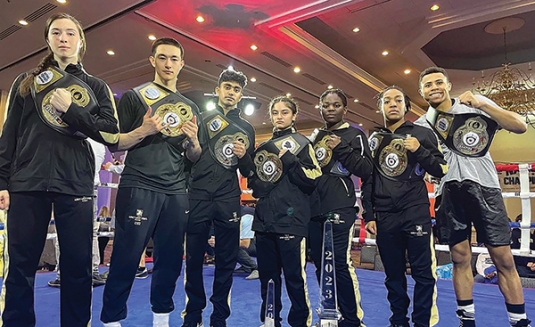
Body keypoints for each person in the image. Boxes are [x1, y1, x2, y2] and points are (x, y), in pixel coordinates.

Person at [0, 13, 119, 327]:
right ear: (48, 39)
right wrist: (2, 180)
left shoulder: (96, 86)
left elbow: (110, 132)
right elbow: (9, 133)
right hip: (26, 182)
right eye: (56, 33)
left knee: (78, 268)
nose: (63, 38)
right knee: (21, 268)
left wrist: (74, 111)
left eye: (69, 33)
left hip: (75, 183)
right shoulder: (25, 82)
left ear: (80, 40)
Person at [415, 67, 531, 327]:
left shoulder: (474, 106)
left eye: (438, 82)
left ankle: (519, 320)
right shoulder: (422, 125)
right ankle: (466, 320)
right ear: (421, 92)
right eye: (427, 85)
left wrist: (483, 103)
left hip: (485, 187)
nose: (433, 87)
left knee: (503, 257)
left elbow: (520, 125)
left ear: (448, 84)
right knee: (459, 257)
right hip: (448, 191)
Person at [100, 37, 201, 327]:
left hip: (175, 190)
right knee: (127, 256)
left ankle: (161, 318)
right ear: (152, 61)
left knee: (169, 260)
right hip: (139, 184)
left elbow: (195, 156)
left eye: (174, 59)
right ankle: (111, 319)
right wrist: (144, 129)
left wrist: (193, 140)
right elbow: (117, 145)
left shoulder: (189, 106)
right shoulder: (135, 97)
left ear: (181, 64)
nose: (168, 64)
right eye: (162, 57)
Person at [362, 86, 446, 327]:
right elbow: (369, 178)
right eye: (387, 100)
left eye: (398, 100)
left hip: (414, 211)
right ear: (380, 107)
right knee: (393, 275)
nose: (392, 104)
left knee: (423, 274)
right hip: (385, 215)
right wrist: (369, 214)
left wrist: (419, 150)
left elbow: (440, 169)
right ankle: (398, 321)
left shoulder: (421, 133)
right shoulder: (374, 139)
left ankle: (421, 323)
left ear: (406, 106)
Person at [182, 68, 255, 327]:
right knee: (193, 259)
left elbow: (248, 171)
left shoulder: (246, 127)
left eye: (236, 89)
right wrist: (192, 142)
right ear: (218, 90)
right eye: (227, 87)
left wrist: (244, 154)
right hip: (199, 194)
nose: (231, 92)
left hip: (228, 197)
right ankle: (192, 316)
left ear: (241, 95)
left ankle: (219, 318)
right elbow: (190, 159)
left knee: (226, 260)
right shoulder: (200, 119)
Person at [248, 96, 321, 327]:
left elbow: (314, 178)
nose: (279, 116)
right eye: (276, 112)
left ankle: (300, 322)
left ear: (293, 115)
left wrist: (291, 160)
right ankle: (269, 321)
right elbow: (255, 185)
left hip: (292, 221)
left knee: (294, 278)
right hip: (264, 221)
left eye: (284, 112)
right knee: (267, 279)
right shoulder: (264, 148)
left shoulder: (303, 143)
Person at [308, 89, 372, 327]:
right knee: (318, 261)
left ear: (345, 109)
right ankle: (328, 314)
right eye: (326, 105)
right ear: (321, 108)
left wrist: (342, 148)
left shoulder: (355, 135)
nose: (331, 109)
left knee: (340, 263)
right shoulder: (316, 137)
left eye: (336, 105)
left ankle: (352, 319)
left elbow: (366, 169)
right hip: (314, 208)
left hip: (341, 207)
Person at [48, 138, 108, 288]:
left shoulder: (73, 139)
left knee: (62, 230)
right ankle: (92, 271)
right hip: (88, 187)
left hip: (68, 187)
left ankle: (63, 274)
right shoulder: (99, 143)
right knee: (91, 232)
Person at [234, 204, 259, 280]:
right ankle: (246, 266)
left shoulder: (246, 216)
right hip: (255, 240)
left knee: (229, 245)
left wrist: (220, 241)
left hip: (267, 245)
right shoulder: (235, 213)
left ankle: (256, 268)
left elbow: (245, 244)